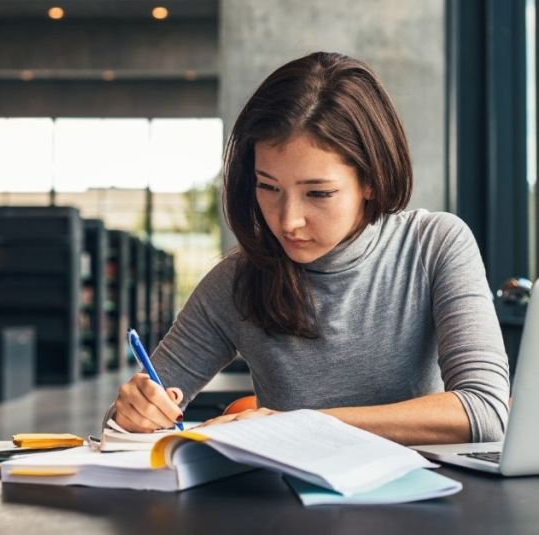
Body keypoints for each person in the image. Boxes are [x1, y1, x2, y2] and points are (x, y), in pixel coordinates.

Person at [111, 51, 510, 445]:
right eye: (268, 187)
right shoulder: (236, 281)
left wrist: (294, 424)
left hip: (423, 501)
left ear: (371, 180)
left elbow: (485, 411)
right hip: (288, 506)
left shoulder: (434, 245)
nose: (287, 221)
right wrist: (131, 414)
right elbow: (120, 429)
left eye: (318, 193)